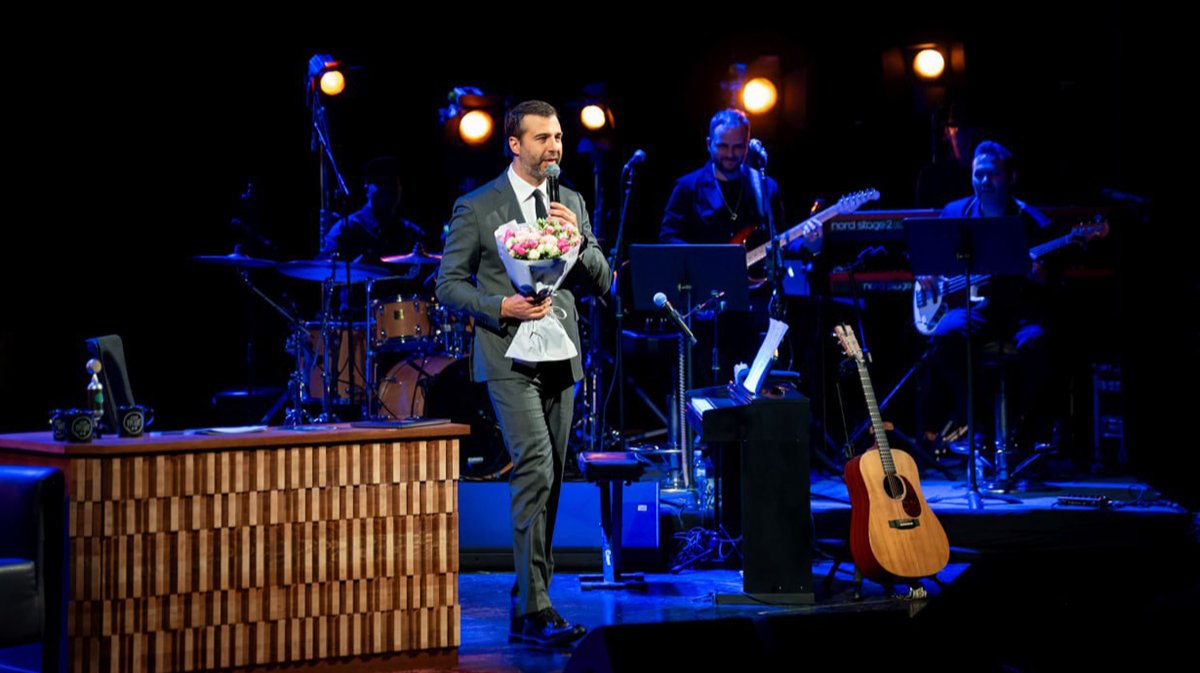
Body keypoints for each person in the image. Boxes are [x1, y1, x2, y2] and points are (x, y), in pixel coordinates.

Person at [436, 100, 610, 647]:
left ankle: (527, 598)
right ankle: (536, 607)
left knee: (550, 475)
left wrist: (578, 244)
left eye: (558, 137)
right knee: (534, 461)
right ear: (515, 144)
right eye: (542, 138)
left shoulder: (571, 202)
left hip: (562, 354)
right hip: (508, 354)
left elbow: (604, 280)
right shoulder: (477, 206)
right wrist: (499, 306)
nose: (554, 147)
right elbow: (448, 285)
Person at [919, 140, 1055, 451]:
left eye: (992, 174)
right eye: (978, 174)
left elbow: (1051, 280)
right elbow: (932, 257)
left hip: (1019, 315)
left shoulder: (1032, 221)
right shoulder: (955, 213)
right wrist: (926, 274)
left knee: (1038, 341)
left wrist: (1038, 274)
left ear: (1010, 177)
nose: (984, 181)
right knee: (947, 332)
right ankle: (975, 421)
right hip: (975, 309)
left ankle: (1024, 429)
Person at [321, 156, 429, 261]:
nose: (389, 190)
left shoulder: (411, 233)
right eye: (382, 184)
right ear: (367, 186)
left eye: (393, 184)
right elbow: (325, 267)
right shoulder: (346, 229)